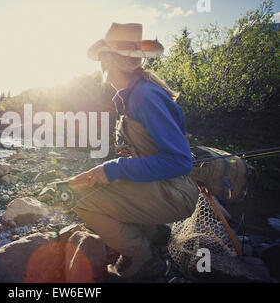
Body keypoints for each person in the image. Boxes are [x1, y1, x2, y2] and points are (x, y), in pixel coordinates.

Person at [68, 23, 200, 281]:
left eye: (103, 57)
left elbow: (180, 161)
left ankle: (144, 258)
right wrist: (111, 171)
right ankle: (155, 236)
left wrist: (113, 169)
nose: (100, 64)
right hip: (163, 187)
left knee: (76, 196)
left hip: (175, 192)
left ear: (110, 60)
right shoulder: (132, 94)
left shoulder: (143, 96)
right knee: (90, 185)